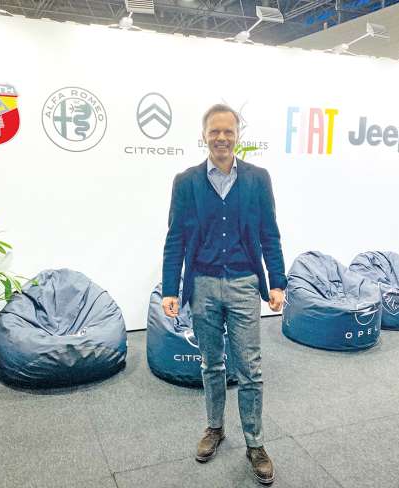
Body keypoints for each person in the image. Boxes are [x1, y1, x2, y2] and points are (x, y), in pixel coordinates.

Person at [161, 103, 286, 485]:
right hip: (202, 284)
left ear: (237, 136)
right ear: (204, 136)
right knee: (211, 365)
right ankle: (215, 428)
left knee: (250, 369)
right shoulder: (186, 182)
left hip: (245, 283)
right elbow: (175, 238)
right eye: (214, 131)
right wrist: (170, 289)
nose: (221, 138)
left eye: (228, 131)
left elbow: (269, 233)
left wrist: (277, 282)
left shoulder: (258, 179)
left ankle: (255, 443)